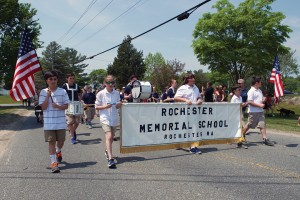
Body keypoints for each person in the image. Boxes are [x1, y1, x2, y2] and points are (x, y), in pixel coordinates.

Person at [39, 70, 69, 173]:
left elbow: (66, 105)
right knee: (51, 142)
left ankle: (58, 150)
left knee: (61, 141)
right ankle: (54, 163)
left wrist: (58, 106)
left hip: (60, 122)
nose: (53, 81)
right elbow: (43, 107)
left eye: (55, 79)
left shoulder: (63, 91)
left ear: (57, 80)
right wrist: (48, 95)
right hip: (48, 123)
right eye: (50, 79)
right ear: (47, 80)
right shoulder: (43, 92)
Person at [95, 75, 122, 168]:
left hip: (114, 118)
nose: (111, 84)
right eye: (109, 82)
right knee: (109, 136)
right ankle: (110, 159)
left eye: (112, 82)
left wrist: (119, 104)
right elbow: (96, 106)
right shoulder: (100, 94)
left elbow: (118, 105)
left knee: (111, 138)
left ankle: (107, 150)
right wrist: (105, 107)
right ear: (105, 83)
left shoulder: (117, 93)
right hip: (105, 118)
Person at [174, 73, 203, 154]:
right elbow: (176, 97)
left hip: (194, 112)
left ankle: (193, 147)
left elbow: (198, 96)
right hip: (184, 112)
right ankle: (181, 143)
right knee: (184, 128)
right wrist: (185, 100)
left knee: (193, 128)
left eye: (194, 78)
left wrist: (200, 100)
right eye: (191, 78)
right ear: (187, 79)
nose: (193, 79)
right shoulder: (183, 88)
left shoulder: (196, 88)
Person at [241, 76, 274, 146]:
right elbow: (249, 102)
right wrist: (259, 105)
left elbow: (260, 100)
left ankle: (265, 139)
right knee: (250, 125)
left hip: (260, 111)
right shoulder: (251, 91)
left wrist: (263, 100)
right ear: (256, 83)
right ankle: (241, 135)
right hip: (253, 111)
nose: (261, 84)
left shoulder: (259, 90)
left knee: (262, 124)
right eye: (260, 82)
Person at [62, 73, 82, 144]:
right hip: (68, 105)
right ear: (67, 79)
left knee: (77, 122)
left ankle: (72, 131)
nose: (72, 80)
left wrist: (81, 101)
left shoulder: (77, 86)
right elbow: (62, 95)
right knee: (70, 122)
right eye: (70, 78)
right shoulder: (64, 86)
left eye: (73, 78)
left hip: (76, 105)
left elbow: (79, 94)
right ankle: (73, 137)